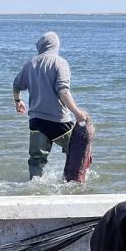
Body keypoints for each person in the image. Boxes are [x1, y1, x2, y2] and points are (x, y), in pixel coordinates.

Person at [12, 32, 88, 179]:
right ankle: (72, 182)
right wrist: (77, 112)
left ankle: (34, 190)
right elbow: (63, 91)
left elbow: (16, 84)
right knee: (77, 152)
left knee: (36, 161)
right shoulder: (60, 62)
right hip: (59, 122)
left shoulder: (30, 64)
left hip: (37, 121)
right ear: (56, 46)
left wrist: (17, 101)